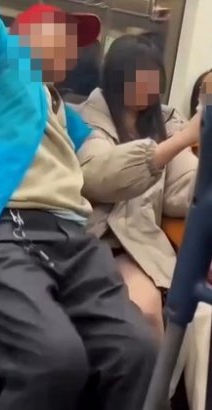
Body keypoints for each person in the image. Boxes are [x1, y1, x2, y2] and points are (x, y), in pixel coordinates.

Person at [0, 3, 159, 410]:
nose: (74, 50)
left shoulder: (64, 110)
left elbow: (102, 170)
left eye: (77, 42)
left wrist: (177, 143)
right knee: (54, 360)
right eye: (64, 34)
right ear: (24, 36)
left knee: (138, 350)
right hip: (6, 230)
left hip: (73, 239)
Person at [77, 34, 208, 410]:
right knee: (148, 310)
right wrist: (180, 140)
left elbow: (184, 187)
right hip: (100, 241)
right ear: (116, 77)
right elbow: (100, 177)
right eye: (138, 76)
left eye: (153, 77)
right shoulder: (87, 118)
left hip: (144, 242)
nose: (147, 86)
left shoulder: (163, 119)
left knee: (197, 316)